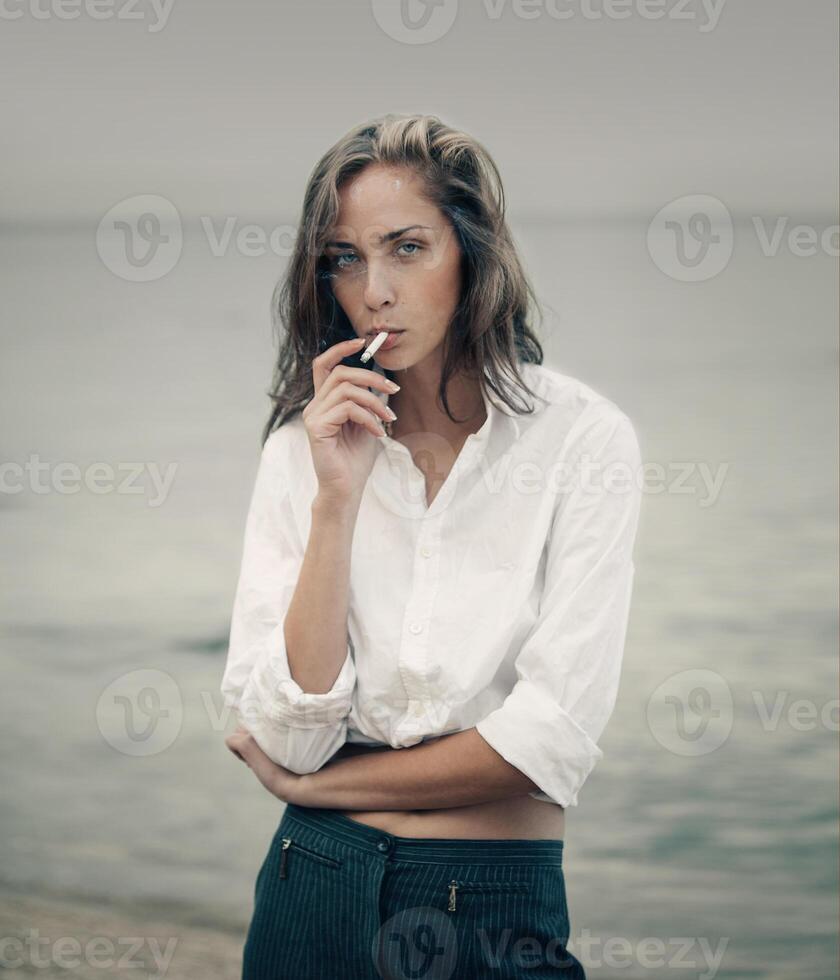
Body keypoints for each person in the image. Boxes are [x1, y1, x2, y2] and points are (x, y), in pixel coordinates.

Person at [221, 113, 642, 979]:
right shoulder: (301, 452)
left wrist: (319, 790)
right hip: (311, 882)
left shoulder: (583, 442)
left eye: (406, 248)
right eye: (344, 257)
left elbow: (545, 742)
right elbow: (286, 736)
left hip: (487, 900)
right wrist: (336, 500)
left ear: (474, 254)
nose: (374, 289)